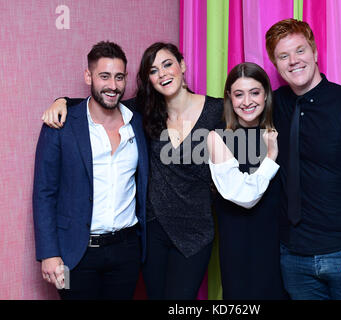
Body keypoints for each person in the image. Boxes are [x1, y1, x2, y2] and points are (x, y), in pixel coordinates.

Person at [41, 45, 286, 300]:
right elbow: (104, 100)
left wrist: (270, 153)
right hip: (153, 232)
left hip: (195, 232)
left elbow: (251, 113)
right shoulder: (143, 110)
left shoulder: (218, 112)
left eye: (168, 64)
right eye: (153, 70)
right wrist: (65, 102)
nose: (162, 74)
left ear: (182, 65)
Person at [264, 19, 341, 300]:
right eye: (284, 56)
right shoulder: (273, 106)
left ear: (315, 52)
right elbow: (235, 114)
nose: (294, 61)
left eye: (300, 51)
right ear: (275, 63)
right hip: (293, 259)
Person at [33, 41, 149, 300]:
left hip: (126, 251)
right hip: (75, 254)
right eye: (104, 76)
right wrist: (49, 254)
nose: (113, 85)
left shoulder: (137, 123)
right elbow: (44, 192)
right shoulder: (61, 123)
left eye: (119, 77)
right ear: (89, 76)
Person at [207, 62, 287, 299]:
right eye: (239, 94)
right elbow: (245, 197)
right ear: (229, 98)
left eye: (255, 92)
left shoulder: (278, 131)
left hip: (279, 244)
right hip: (239, 246)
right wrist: (271, 158)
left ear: (266, 95)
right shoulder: (217, 137)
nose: (247, 101)